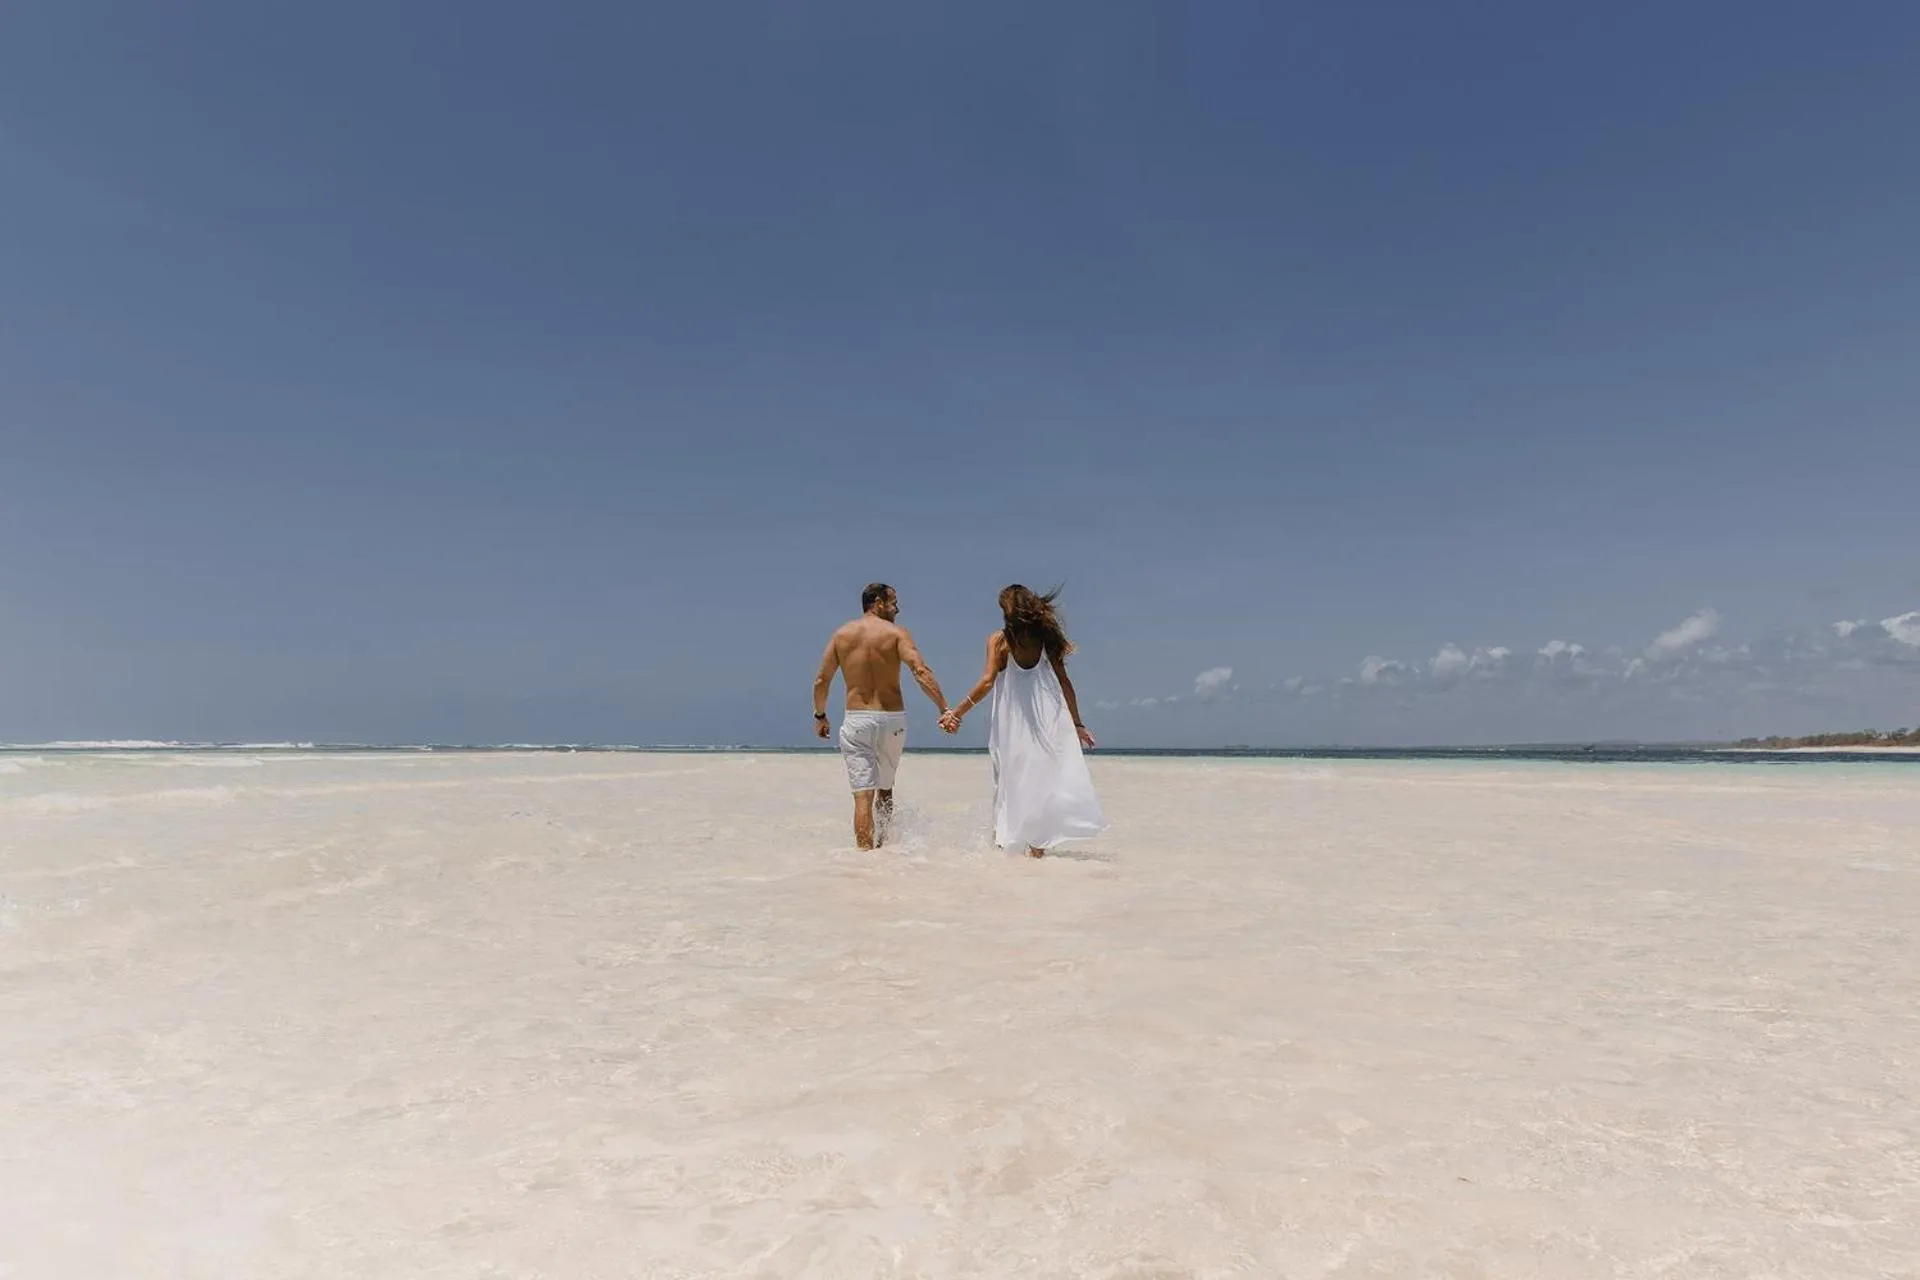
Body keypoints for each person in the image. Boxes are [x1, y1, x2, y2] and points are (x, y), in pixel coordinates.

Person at [939, 584, 1106, 857]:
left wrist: (957, 713)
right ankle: (1036, 850)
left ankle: (1004, 846)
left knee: (1008, 779)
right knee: (1041, 780)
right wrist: (1076, 724)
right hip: (1046, 723)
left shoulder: (1000, 641)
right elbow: (1065, 683)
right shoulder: (1046, 639)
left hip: (1011, 725)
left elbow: (986, 682)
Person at [812, 583, 951, 850]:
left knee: (863, 797)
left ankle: (865, 861)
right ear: (877, 602)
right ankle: (885, 852)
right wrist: (943, 708)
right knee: (885, 790)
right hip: (892, 720)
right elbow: (920, 671)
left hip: (858, 720)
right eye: (893, 602)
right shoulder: (897, 634)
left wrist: (820, 715)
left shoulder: (842, 635)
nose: (897, 608)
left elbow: (822, 680)